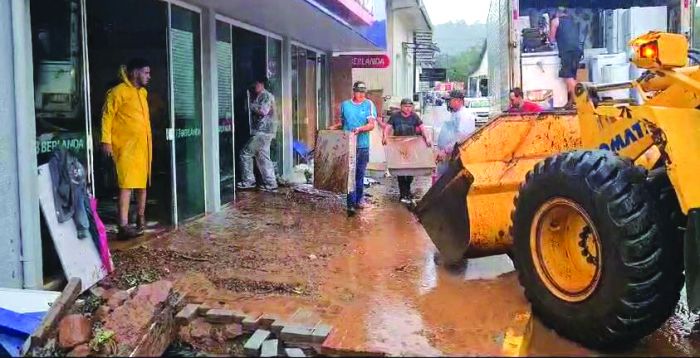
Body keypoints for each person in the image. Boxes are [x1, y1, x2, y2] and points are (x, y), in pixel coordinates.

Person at [101, 58, 152, 240]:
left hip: (142, 147)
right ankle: (123, 225)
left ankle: (140, 218)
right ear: (135, 72)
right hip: (125, 147)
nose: (148, 76)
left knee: (142, 184)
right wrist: (106, 141)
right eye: (145, 72)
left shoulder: (143, 94)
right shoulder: (118, 92)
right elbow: (107, 116)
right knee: (126, 186)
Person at [329, 81, 377, 217]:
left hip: (362, 145)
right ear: (354, 91)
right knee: (349, 174)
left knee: (359, 175)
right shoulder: (345, 105)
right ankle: (350, 203)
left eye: (363, 92)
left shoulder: (369, 104)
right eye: (358, 91)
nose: (361, 94)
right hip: (347, 144)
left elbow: (371, 125)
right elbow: (343, 123)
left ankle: (358, 199)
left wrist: (360, 129)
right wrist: (333, 128)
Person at [382, 98, 431, 204]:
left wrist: (427, 138)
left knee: (410, 170)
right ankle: (403, 193)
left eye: (410, 107)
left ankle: (407, 191)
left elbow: (423, 128)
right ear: (401, 107)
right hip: (398, 147)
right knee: (400, 171)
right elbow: (387, 128)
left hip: (411, 147)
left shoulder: (414, 117)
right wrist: (385, 137)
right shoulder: (395, 116)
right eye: (406, 106)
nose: (408, 109)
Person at [237, 77, 278, 192]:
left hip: (263, 132)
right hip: (266, 132)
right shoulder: (264, 95)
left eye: (255, 84)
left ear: (261, 84)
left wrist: (251, 105)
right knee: (263, 156)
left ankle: (249, 180)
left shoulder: (265, 96)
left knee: (245, 153)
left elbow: (263, 111)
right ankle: (270, 182)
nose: (254, 86)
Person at [436, 90, 476, 178]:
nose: (448, 102)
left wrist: (446, 150)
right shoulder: (455, 113)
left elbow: (460, 137)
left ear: (459, 101)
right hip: (449, 154)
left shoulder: (465, 115)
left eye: (450, 100)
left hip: (458, 155)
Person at [549, 6, 582, 109]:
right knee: (572, 76)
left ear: (558, 13)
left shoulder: (555, 21)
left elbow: (551, 39)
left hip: (567, 51)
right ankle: (571, 102)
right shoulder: (573, 22)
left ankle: (579, 101)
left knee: (568, 77)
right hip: (577, 51)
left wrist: (548, 36)